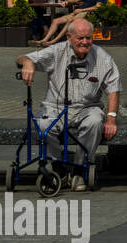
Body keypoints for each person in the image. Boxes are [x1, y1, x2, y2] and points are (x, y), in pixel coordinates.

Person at [16, 18, 120, 192]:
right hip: (55, 106)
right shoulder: (56, 51)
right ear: (69, 37)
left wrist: (111, 118)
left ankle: (80, 168)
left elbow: (114, 89)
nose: (85, 42)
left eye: (88, 37)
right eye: (80, 38)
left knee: (95, 121)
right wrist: (28, 63)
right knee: (42, 124)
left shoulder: (103, 57)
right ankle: (59, 167)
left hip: (88, 107)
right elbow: (22, 58)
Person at [36, 0, 107, 46]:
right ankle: (44, 40)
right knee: (56, 21)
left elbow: (98, 7)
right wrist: (67, 2)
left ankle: (52, 42)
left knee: (70, 20)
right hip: (77, 12)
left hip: (87, 13)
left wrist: (82, 10)